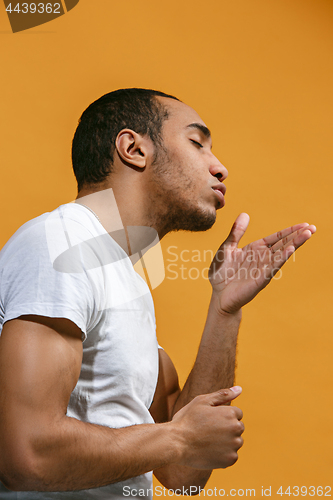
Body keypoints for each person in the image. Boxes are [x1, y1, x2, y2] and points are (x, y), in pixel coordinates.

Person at [0, 88, 316, 499]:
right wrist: (179, 438)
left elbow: (182, 472)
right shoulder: (61, 242)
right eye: (197, 142)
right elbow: (27, 455)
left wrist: (224, 310)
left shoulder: (127, 283)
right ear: (134, 148)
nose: (220, 168)